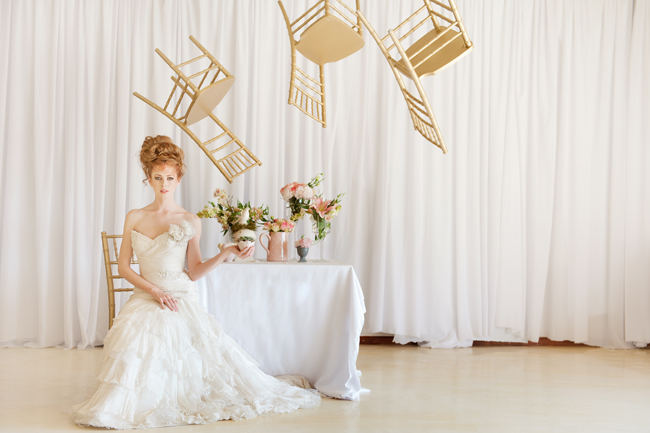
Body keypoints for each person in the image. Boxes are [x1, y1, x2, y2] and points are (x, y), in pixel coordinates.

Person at [73, 135, 320, 429]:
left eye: (169, 178)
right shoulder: (134, 217)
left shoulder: (189, 219)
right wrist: (153, 291)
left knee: (181, 343)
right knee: (138, 337)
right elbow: (124, 267)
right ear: (147, 179)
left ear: (178, 179)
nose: (163, 184)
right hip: (146, 296)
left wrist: (226, 253)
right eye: (157, 178)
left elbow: (194, 270)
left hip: (180, 297)